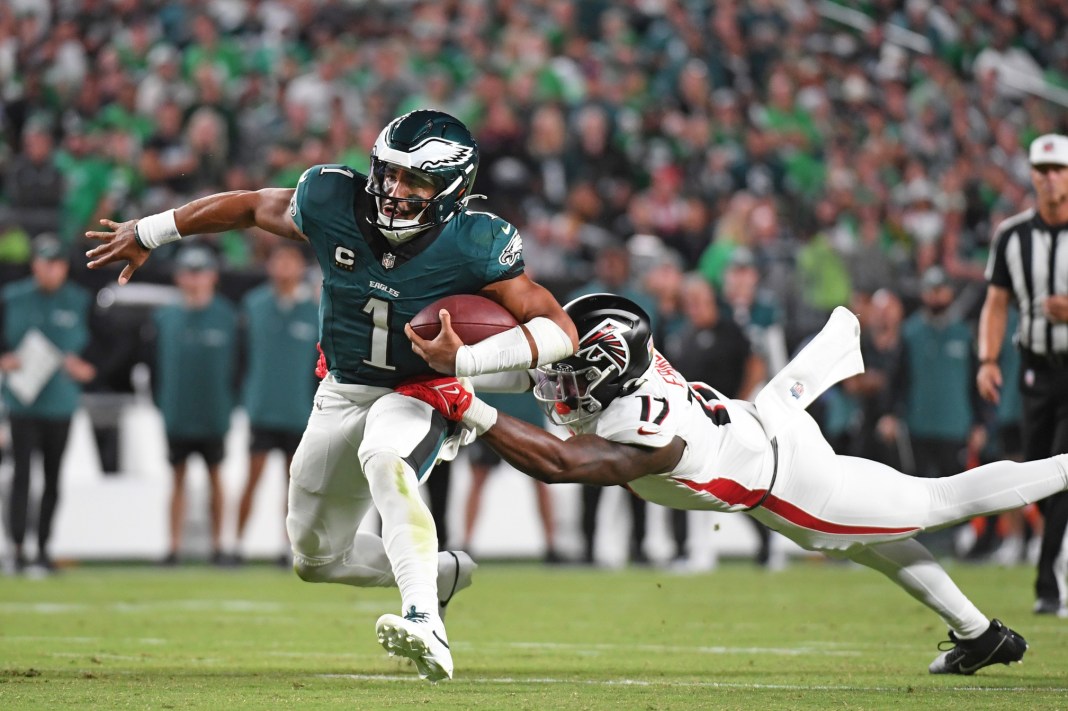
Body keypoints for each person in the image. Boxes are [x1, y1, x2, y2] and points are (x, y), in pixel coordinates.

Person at [86, 109, 578, 682]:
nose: (395, 191)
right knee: (316, 558)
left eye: (415, 180)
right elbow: (248, 205)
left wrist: (465, 360)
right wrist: (149, 231)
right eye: (390, 173)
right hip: (341, 390)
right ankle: (435, 574)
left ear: (452, 188)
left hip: (421, 387)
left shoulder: (477, 242)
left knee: (386, 459)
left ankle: (424, 620)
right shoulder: (331, 199)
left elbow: (559, 331)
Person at [398, 293, 1068, 676]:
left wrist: (469, 406)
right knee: (880, 542)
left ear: (609, 375)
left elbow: (565, 465)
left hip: (793, 488)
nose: (557, 385)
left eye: (574, 374)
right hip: (763, 419)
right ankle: (980, 635)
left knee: (929, 502)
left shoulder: (646, 428)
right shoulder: (620, 370)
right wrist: (463, 363)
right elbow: (539, 368)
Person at [977, 133, 1068, 618]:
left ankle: (1047, 580)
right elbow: (996, 304)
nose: (1048, 177)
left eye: (1057, 169)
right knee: (1036, 469)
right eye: (1041, 168)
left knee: (1063, 469)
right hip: (1033, 369)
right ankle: (1053, 562)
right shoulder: (1012, 236)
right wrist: (988, 360)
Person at [0, 234, 95, 573]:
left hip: (60, 403)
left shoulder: (80, 301)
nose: (50, 270)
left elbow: (103, 346)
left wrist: (88, 368)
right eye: (44, 263)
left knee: (53, 477)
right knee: (22, 475)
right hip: (22, 403)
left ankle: (42, 546)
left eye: (56, 264)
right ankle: (16, 547)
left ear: (64, 267)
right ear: (34, 265)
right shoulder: (12, 298)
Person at [151, 245, 237, 566]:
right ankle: (172, 547)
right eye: (189, 272)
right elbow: (153, 366)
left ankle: (219, 546)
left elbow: (240, 366)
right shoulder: (164, 318)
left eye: (201, 272)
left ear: (212, 276)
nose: (195, 279)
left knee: (216, 476)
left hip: (214, 412)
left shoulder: (227, 316)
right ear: (178, 277)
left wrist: (231, 403)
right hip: (178, 412)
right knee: (177, 478)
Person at [234, 242, 319, 565]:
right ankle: (235, 545)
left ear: (301, 267)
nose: (284, 266)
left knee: (294, 487)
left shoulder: (314, 310)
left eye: (290, 260)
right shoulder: (254, 305)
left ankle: (289, 549)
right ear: (269, 266)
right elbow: (239, 359)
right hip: (262, 409)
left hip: (300, 412)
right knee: (251, 479)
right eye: (278, 260)